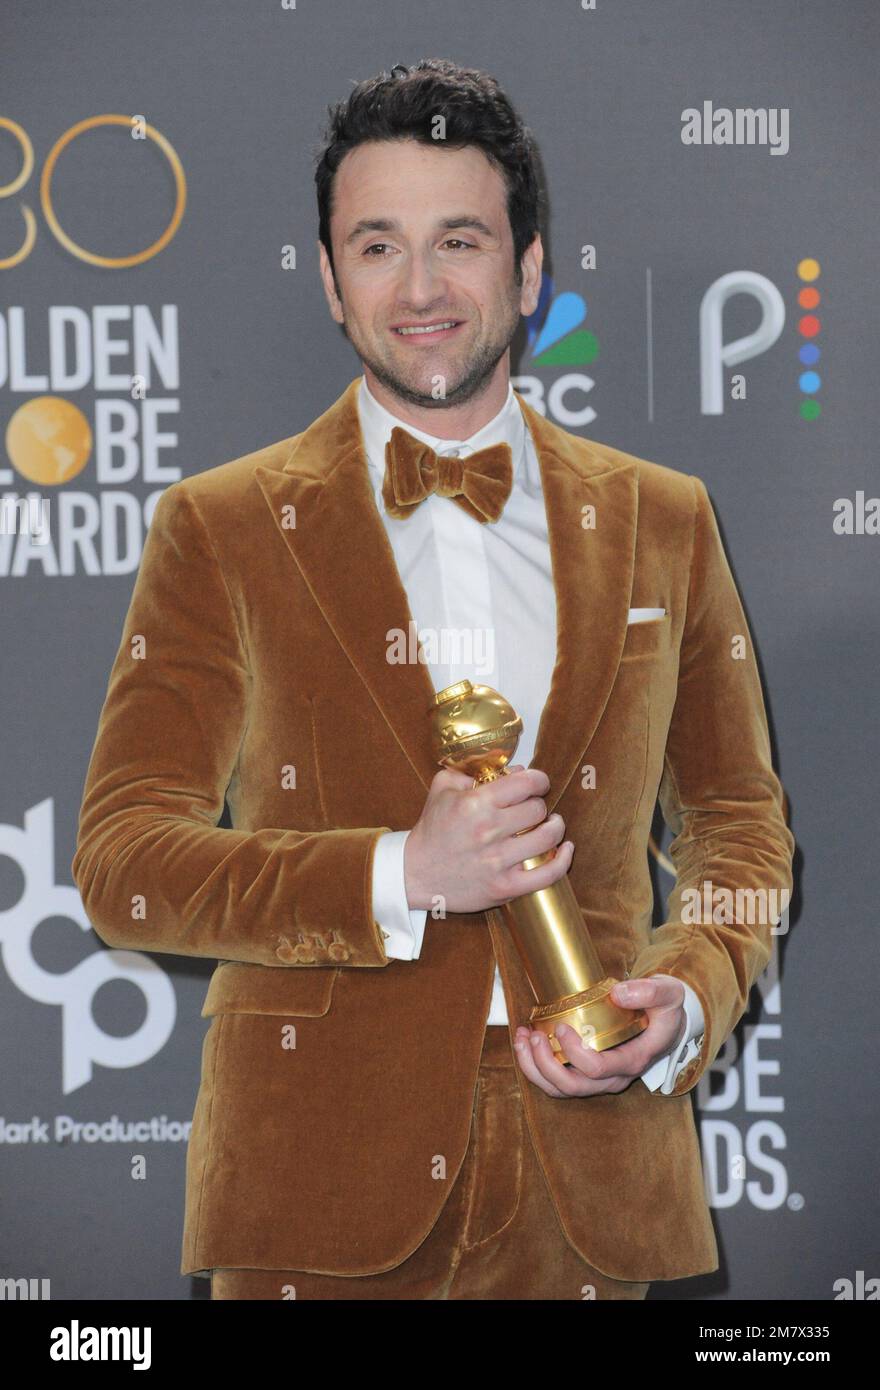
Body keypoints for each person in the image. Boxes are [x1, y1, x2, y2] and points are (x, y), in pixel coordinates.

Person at [72, 58, 795, 1301]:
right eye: (376, 246)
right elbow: (126, 866)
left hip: (595, 1189)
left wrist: (682, 999)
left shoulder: (665, 520)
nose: (419, 288)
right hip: (312, 1187)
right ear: (330, 280)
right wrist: (401, 871)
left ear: (527, 269)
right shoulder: (221, 526)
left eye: (457, 240)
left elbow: (737, 828)